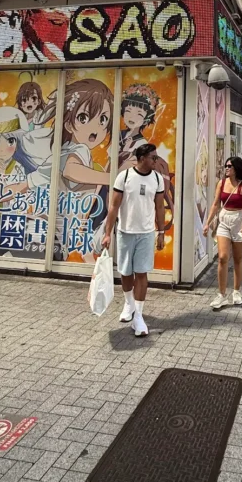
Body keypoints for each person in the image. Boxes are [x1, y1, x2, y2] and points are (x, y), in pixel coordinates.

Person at [101, 143, 166, 338]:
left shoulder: (157, 179)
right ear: (142, 158)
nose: (156, 161)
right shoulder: (125, 177)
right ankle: (128, 303)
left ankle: (138, 315)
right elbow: (113, 206)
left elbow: (160, 207)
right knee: (125, 272)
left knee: (142, 272)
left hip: (146, 233)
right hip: (125, 231)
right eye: (153, 157)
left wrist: (161, 232)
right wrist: (107, 233)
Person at [204, 157, 242, 310]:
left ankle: (236, 291)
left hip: (238, 221)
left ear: (236, 168)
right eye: (225, 165)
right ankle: (221, 295)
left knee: (237, 258)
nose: (226, 168)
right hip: (224, 220)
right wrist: (207, 222)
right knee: (223, 257)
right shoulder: (222, 183)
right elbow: (216, 203)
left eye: (229, 166)